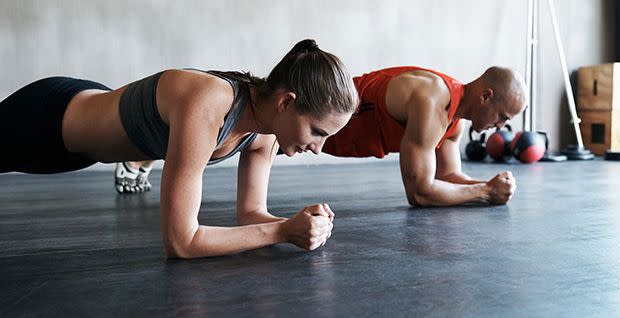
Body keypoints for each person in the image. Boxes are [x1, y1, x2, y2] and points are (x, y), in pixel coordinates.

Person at [0, 39, 358, 258]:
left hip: (74, 153)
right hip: (48, 117)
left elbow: (250, 215)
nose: (317, 148)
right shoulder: (211, 99)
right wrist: (281, 232)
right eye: (317, 131)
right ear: (286, 103)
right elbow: (181, 242)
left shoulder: (264, 134)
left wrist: (297, 225)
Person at [321, 66, 527, 207]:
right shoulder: (433, 101)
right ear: (485, 97)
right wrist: (486, 192)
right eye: (502, 117)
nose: (501, 126)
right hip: (312, 117)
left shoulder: (455, 122)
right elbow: (419, 193)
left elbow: (447, 177)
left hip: (319, 136)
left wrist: (491, 186)